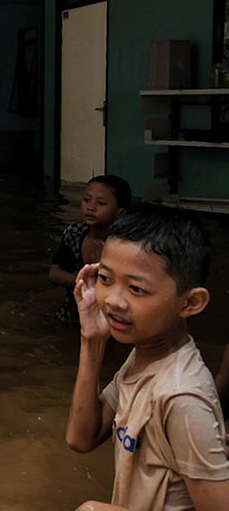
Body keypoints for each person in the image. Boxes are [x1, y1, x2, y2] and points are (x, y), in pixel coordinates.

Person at [66, 205, 229, 511]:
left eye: (136, 288)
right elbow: (81, 437)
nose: (113, 300)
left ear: (191, 302)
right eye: (105, 278)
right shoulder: (144, 355)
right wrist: (92, 340)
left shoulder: (181, 397)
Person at [49, 174, 131, 326]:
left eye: (101, 203)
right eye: (86, 200)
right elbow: (54, 273)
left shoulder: (123, 244)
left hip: (110, 317)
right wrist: (85, 283)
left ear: (120, 212)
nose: (91, 207)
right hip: (72, 312)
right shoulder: (74, 233)